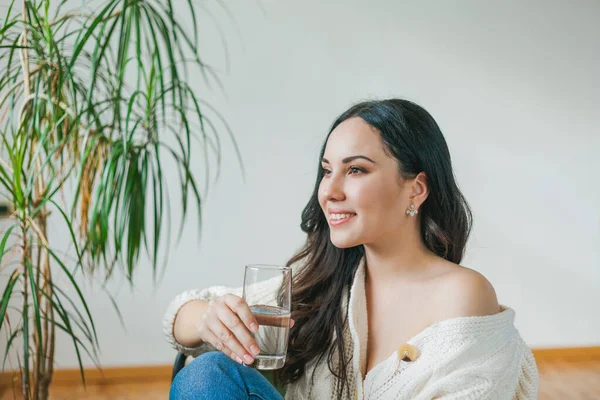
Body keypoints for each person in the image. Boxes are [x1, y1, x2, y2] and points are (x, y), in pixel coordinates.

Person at [163, 98, 539, 399]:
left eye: (355, 169)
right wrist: (209, 319)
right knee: (205, 373)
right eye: (327, 171)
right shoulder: (325, 282)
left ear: (416, 189)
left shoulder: (462, 294)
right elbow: (182, 313)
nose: (330, 191)